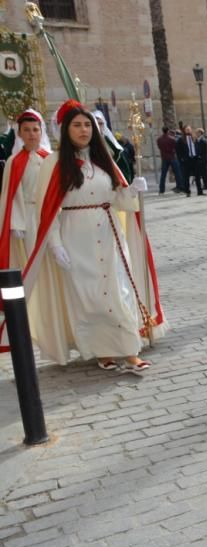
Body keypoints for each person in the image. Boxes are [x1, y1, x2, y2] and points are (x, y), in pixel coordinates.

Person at [20, 100, 167, 371]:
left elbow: (120, 200)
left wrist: (132, 190)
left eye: (88, 125)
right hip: (76, 236)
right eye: (77, 125)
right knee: (88, 296)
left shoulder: (104, 159)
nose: (84, 130)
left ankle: (129, 350)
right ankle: (102, 352)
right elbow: (48, 210)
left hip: (109, 232)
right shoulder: (53, 163)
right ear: (65, 130)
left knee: (118, 291)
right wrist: (55, 245)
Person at [0, 109, 50, 352]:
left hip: (49, 217)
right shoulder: (14, 162)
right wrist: (17, 224)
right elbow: (13, 196)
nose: (32, 135)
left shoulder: (48, 157)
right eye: (27, 131)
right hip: (29, 219)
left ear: (41, 132)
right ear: (20, 134)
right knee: (34, 264)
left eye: (35, 130)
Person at [92, 109, 133, 183]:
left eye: (101, 124)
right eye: (96, 124)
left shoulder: (109, 142)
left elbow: (121, 164)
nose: (98, 127)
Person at [176, 125, 203, 196]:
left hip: (195, 159)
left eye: (189, 129)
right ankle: (188, 192)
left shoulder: (194, 138)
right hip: (186, 160)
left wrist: (199, 155)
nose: (188, 131)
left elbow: (198, 147)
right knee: (186, 177)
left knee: (197, 176)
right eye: (187, 129)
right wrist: (181, 159)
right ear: (184, 131)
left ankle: (200, 191)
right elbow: (178, 151)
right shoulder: (181, 140)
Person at [156, 126, 181, 194]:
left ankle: (161, 189)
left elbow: (159, 147)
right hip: (172, 157)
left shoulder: (159, 139)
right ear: (168, 131)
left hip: (164, 158)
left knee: (163, 175)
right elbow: (175, 147)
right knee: (177, 173)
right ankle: (179, 187)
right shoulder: (172, 139)